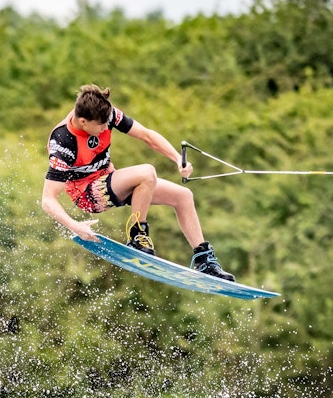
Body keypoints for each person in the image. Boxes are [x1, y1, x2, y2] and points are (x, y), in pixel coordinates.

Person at [41, 84, 234, 281]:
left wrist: (177, 159)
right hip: (87, 194)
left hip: (110, 180)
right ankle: (137, 236)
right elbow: (48, 199)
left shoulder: (106, 115)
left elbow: (147, 136)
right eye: (100, 126)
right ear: (83, 121)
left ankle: (204, 260)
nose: (104, 129)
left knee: (183, 196)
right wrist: (74, 226)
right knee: (147, 172)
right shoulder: (63, 142)